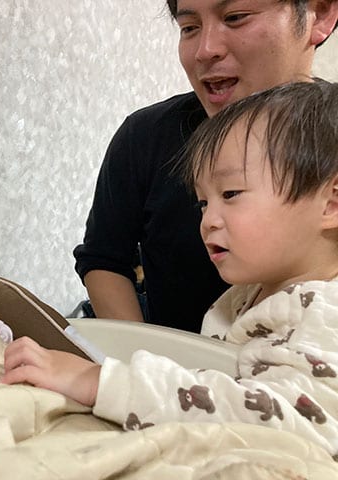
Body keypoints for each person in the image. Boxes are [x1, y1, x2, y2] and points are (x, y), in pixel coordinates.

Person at [4, 81, 338, 457]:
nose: (208, 220)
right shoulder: (247, 295)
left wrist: (104, 383)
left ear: (331, 203)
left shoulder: (327, 313)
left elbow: (293, 424)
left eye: (230, 194)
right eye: (203, 203)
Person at [73, 0, 338, 332]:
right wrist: (137, 353)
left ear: (320, 13)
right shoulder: (146, 135)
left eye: (235, 17)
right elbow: (103, 258)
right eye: (189, 28)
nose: (205, 50)